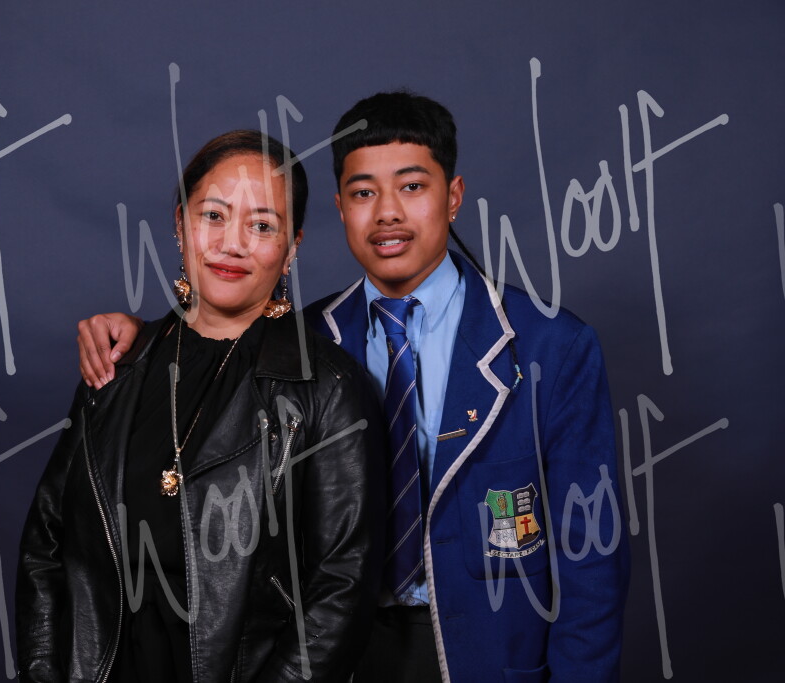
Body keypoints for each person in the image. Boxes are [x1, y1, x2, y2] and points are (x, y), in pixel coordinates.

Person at [77, 93, 630, 682]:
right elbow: (207, 346)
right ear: (340, 207)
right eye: (363, 193)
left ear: (454, 195)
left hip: (490, 656)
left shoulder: (549, 346)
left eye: (412, 187)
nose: (387, 212)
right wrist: (140, 337)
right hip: (327, 657)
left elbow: (592, 559)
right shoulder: (299, 341)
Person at [17, 130, 385, 683]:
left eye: (262, 226)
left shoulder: (329, 390)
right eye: (213, 216)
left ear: (292, 247)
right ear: (179, 224)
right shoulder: (116, 365)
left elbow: (342, 589)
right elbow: (45, 547)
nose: (232, 244)